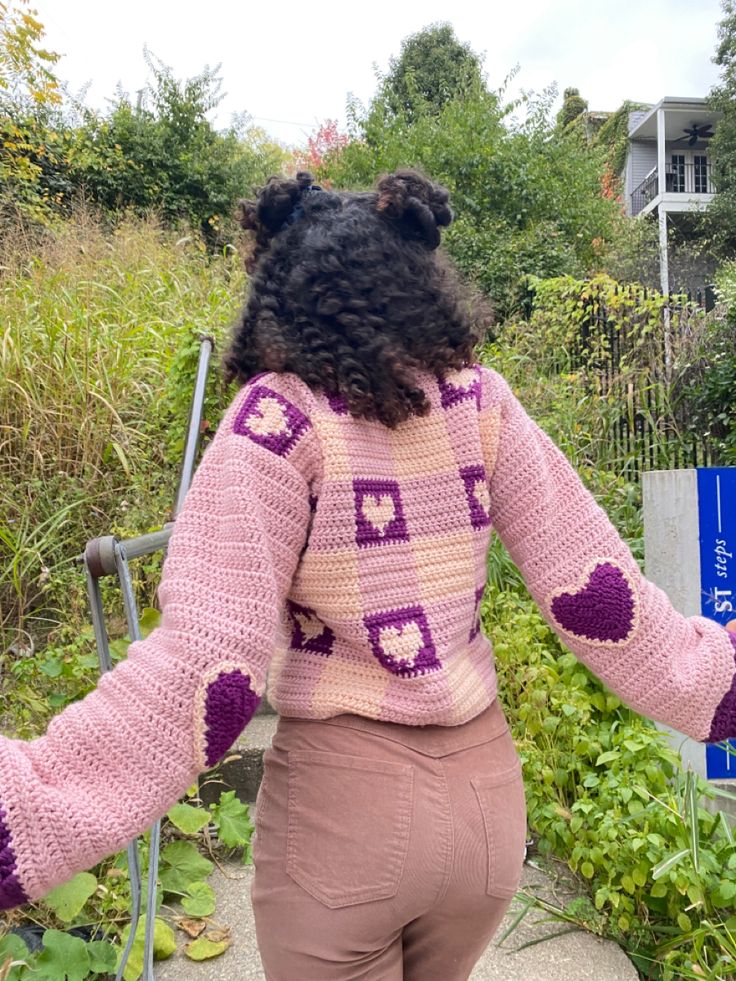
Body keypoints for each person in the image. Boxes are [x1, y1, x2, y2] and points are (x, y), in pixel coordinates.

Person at [1, 169, 735, 981]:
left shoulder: (277, 420)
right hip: (485, 812)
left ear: (280, 290)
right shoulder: (479, 401)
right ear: (419, 282)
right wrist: (716, 681)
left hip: (344, 818)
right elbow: (597, 592)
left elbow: (212, 668)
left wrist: (30, 806)